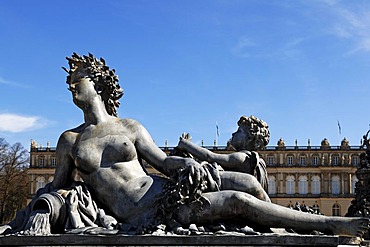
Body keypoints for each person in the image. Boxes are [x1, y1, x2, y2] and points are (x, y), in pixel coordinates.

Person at [0, 53, 368, 237]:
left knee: (248, 184)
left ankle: (282, 227)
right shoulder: (70, 140)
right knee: (238, 200)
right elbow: (59, 187)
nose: (72, 86)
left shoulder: (130, 126)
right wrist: (44, 207)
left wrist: (188, 163)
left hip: (162, 188)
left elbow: (162, 162)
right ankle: (332, 224)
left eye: (77, 79)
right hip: (142, 212)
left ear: (96, 83)